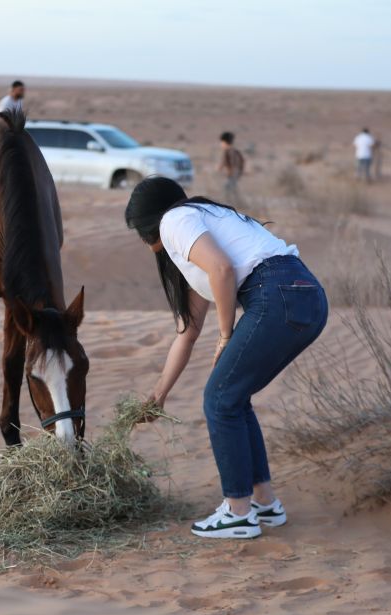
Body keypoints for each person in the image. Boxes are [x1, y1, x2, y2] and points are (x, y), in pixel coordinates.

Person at [125, 177, 328, 539]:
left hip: (275, 294)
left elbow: (223, 271)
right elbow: (187, 332)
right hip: (305, 296)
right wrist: (159, 394)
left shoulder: (175, 220)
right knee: (233, 397)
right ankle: (264, 504)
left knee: (219, 399)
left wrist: (225, 333)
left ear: (149, 223)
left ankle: (237, 512)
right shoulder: (203, 228)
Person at [218, 132, 245, 206]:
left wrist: (232, 172)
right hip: (233, 173)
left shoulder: (231, 151)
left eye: (222, 142)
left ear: (225, 142)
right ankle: (237, 202)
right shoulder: (229, 151)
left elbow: (234, 163)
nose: (221, 144)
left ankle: (230, 203)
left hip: (233, 173)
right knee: (232, 188)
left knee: (228, 187)